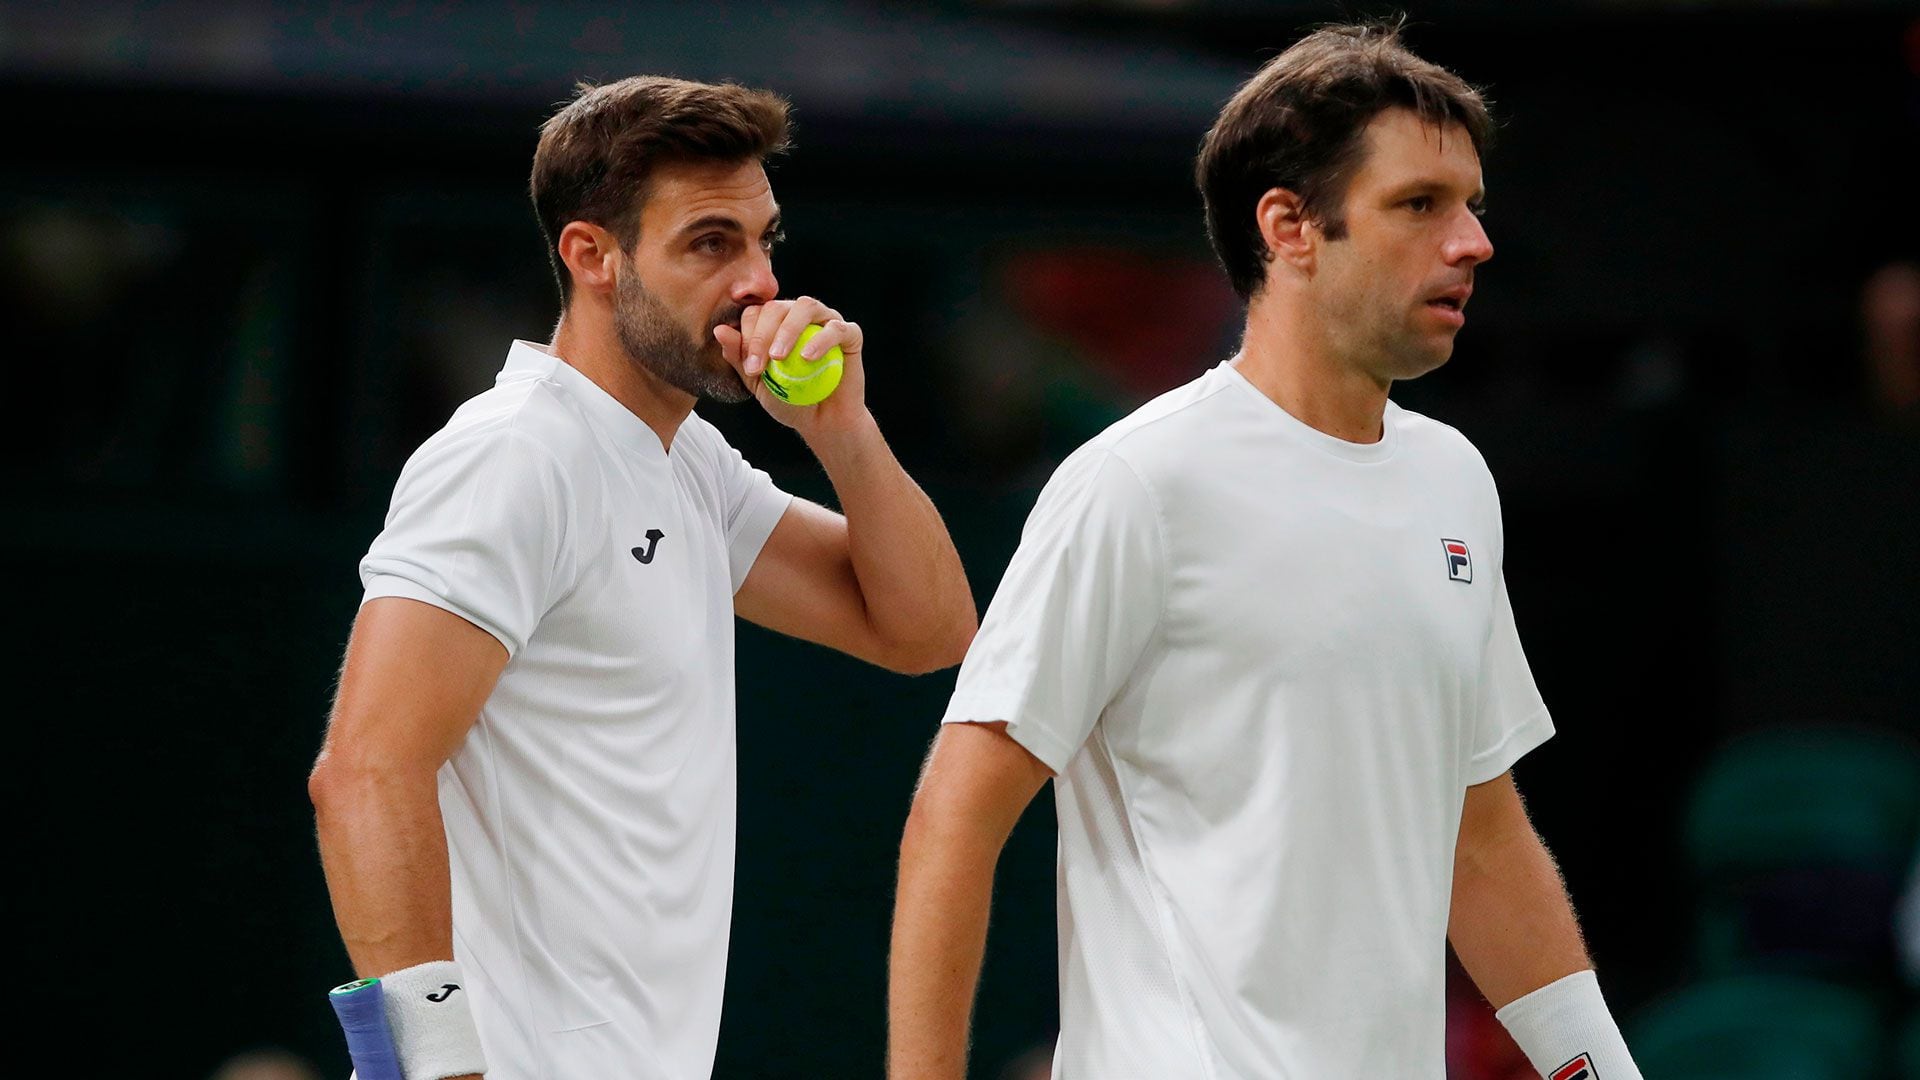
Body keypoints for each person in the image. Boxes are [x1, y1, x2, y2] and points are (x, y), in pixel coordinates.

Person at [889, 23, 1642, 1080]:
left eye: (1472, 204)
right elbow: (955, 819)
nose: (1473, 241)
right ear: (1289, 226)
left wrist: (1600, 1071)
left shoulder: (1453, 481)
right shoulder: (1138, 483)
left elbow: (1481, 836)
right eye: (1420, 204)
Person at [308, 76, 976, 1080]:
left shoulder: (689, 463)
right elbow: (363, 772)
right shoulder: (514, 456)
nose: (758, 283)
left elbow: (927, 631)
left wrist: (844, 431)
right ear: (592, 257)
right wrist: (430, 1068)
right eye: (711, 244)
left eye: (763, 241)